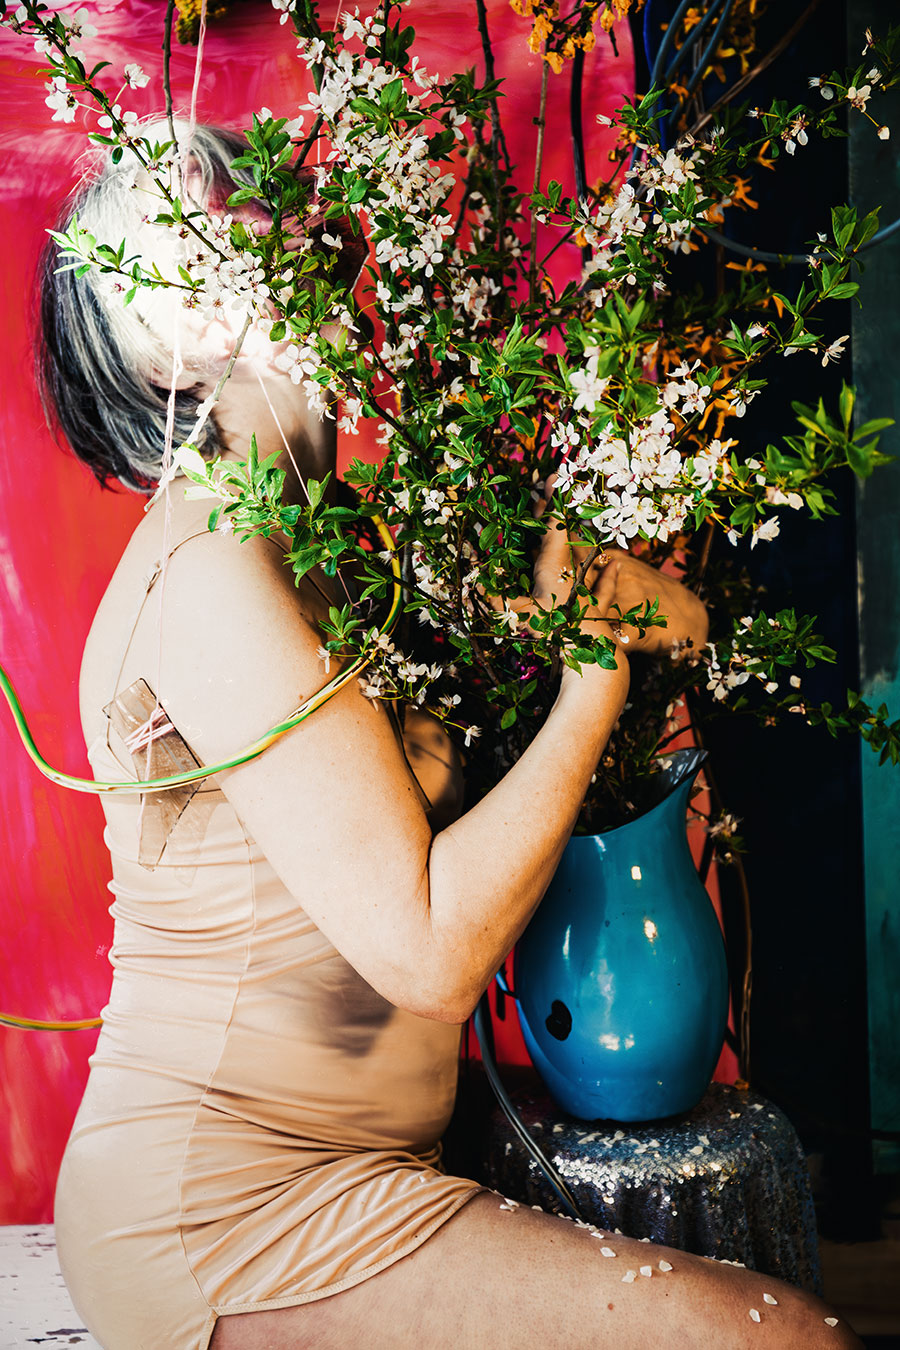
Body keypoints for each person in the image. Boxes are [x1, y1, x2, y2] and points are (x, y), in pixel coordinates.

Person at [42, 121, 858, 1350]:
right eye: (229, 211)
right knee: (779, 1337)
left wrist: (614, 597)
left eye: (275, 184)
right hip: (230, 1207)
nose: (293, 210)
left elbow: (680, 622)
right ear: (175, 334)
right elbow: (428, 956)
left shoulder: (347, 537)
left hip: (376, 1159)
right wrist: (592, 673)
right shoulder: (215, 569)